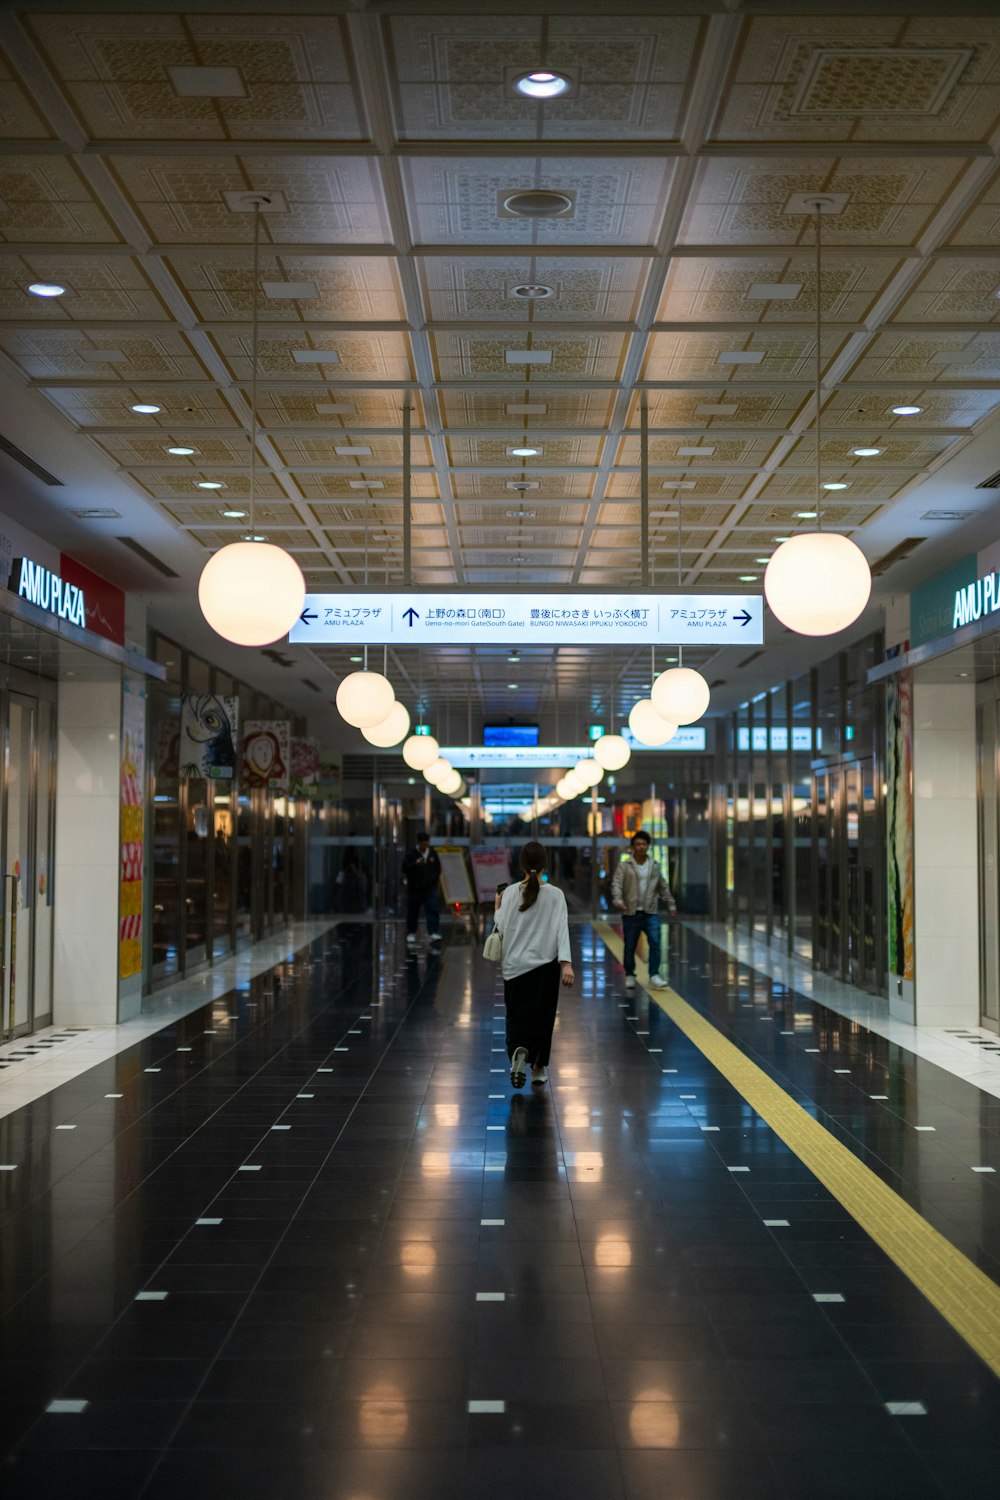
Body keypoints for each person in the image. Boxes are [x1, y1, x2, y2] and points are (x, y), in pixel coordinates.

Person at [492, 841, 574, 1089]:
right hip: (544, 967)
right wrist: (566, 964)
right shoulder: (556, 895)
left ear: (522, 864)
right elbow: (562, 929)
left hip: (513, 967)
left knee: (516, 1016)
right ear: (545, 863)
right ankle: (538, 1068)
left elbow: (501, 927)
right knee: (543, 1019)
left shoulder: (508, 894)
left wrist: (497, 906)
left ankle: (518, 1050)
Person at [611, 830, 677, 991]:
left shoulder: (654, 865)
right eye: (638, 844)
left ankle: (654, 975)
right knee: (630, 945)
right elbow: (617, 884)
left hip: (650, 912)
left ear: (648, 846)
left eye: (644, 844)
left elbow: (662, 886)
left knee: (655, 943)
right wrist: (618, 901)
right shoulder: (625, 866)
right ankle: (630, 975)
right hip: (631, 912)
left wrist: (671, 904)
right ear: (633, 847)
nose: (641, 847)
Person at [402, 831, 442, 948]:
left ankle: (433, 932)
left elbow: (437, 869)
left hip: (429, 889)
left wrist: (433, 883)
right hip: (415, 888)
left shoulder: (432, 854)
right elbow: (404, 867)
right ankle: (411, 932)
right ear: (418, 843)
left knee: (432, 909)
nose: (424, 847)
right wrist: (415, 864)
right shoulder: (412, 854)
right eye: (422, 845)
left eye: (426, 844)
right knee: (413, 910)